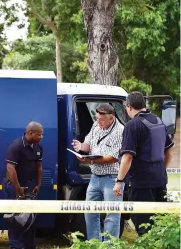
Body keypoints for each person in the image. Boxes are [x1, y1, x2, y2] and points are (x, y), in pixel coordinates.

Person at [113, 91, 174, 236]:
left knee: (144, 227)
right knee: (160, 226)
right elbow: (169, 151)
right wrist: (160, 170)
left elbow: (127, 157)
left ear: (128, 107)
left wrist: (119, 181)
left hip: (141, 184)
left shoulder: (132, 125)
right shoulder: (159, 121)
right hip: (160, 181)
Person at [72, 104, 124, 241]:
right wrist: (80, 147)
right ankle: (94, 244)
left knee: (112, 214)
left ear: (111, 118)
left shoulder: (120, 131)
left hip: (111, 178)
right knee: (89, 211)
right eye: (97, 118)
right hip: (94, 178)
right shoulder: (96, 125)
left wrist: (90, 161)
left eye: (101, 119)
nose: (98, 121)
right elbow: (88, 145)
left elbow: (113, 158)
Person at [3, 121, 44, 249]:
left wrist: (38, 184)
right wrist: (17, 188)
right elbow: (10, 168)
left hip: (30, 186)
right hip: (15, 186)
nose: (41, 137)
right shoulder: (16, 146)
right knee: (16, 218)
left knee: (30, 219)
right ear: (30, 133)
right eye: (39, 134)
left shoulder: (38, 147)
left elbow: (39, 167)